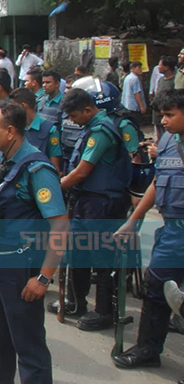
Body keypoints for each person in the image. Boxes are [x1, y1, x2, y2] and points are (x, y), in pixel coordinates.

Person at [0, 101, 69, 384]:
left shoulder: (37, 169)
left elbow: (60, 225)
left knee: (27, 342)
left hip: (18, 265)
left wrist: (43, 278)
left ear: (11, 131)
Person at [113, 88, 184, 371]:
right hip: (172, 233)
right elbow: (157, 183)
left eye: (170, 115)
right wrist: (134, 220)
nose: (163, 121)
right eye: (161, 115)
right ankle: (148, 348)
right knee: (157, 290)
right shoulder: (167, 141)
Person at [50, 88, 131, 330]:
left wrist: (57, 187)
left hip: (102, 204)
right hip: (86, 201)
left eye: (74, 116)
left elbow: (83, 171)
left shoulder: (102, 131)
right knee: (78, 252)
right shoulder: (90, 129)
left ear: (88, 109)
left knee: (101, 257)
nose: (72, 122)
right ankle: (76, 301)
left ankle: (104, 312)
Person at [9, 87, 63, 173]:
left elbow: (55, 166)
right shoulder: (15, 127)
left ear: (23, 106)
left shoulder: (50, 129)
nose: (11, 111)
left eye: (14, 107)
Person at [152, 56, 177, 141]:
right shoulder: (161, 80)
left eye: (160, 65)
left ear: (167, 67)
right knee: (158, 137)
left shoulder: (174, 81)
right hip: (157, 114)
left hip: (166, 113)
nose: (158, 67)